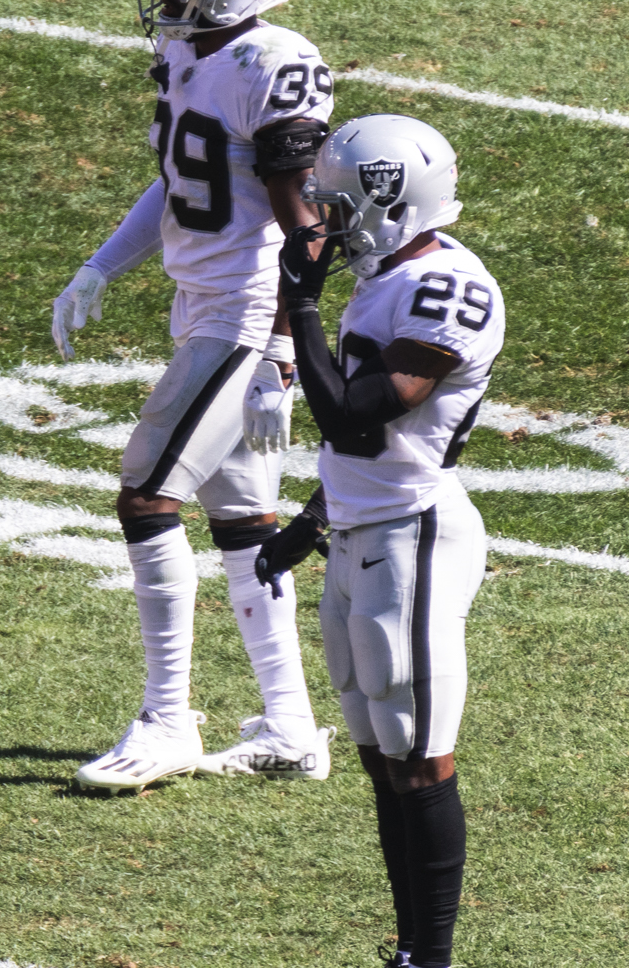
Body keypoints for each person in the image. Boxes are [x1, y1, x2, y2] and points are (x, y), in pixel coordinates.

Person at [51, 0, 339, 789]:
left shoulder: (273, 62)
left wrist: (285, 358)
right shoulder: (188, 53)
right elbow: (181, 181)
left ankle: (167, 717)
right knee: (245, 524)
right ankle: (291, 726)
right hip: (206, 307)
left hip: (248, 318)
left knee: (144, 494)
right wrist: (103, 263)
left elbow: (311, 232)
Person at [257, 114, 500, 968]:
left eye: (337, 202)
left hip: (416, 534)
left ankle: (429, 959)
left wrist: (303, 305)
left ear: (391, 202)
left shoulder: (451, 287)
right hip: (361, 529)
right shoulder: (390, 273)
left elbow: (355, 416)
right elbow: (358, 446)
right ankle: (408, 950)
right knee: (379, 749)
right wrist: (312, 520)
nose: (320, 220)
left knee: (420, 754)